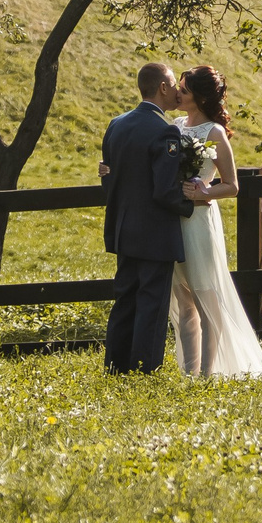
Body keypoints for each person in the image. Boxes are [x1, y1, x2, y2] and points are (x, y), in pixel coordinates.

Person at [99, 61, 204, 373]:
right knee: (151, 303)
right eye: (173, 85)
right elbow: (163, 189)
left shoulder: (116, 124)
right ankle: (144, 368)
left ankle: (115, 365)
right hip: (155, 232)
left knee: (125, 300)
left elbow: (109, 177)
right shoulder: (164, 131)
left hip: (123, 228)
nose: (175, 91)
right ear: (162, 87)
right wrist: (190, 204)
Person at [167, 64, 262, 379]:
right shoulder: (175, 125)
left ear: (200, 97)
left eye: (183, 90)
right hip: (173, 221)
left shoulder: (214, 133)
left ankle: (209, 374)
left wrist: (203, 192)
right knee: (184, 302)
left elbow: (233, 186)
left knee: (206, 296)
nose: (177, 94)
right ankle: (190, 372)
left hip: (198, 222)